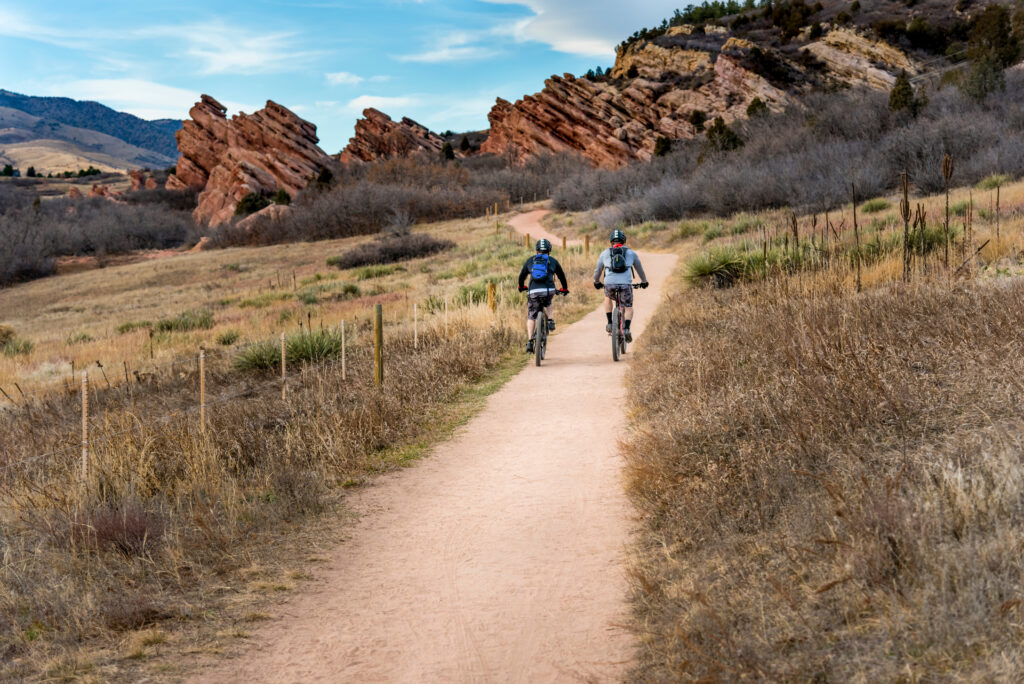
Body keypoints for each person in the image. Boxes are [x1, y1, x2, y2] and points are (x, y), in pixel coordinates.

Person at [593, 229, 648, 343]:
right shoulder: (631, 253)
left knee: (608, 298)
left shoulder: (604, 253)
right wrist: (644, 281)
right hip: (625, 284)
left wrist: (596, 281)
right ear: (624, 241)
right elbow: (639, 269)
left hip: (610, 283)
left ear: (611, 241)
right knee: (628, 307)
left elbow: (598, 269)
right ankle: (627, 328)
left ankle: (609, 322)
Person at [518, 238, 568, 353]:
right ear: (549, 251)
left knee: (531, 316)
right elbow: (562, 276)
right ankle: (550, 320)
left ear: (536, 251)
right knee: (548, 302)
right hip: (548, 290)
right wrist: (564, 288)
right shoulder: (552, 261)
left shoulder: (531, 260)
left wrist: (521, 287)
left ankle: (530, 342)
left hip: (533, 292)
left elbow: (522, 276)